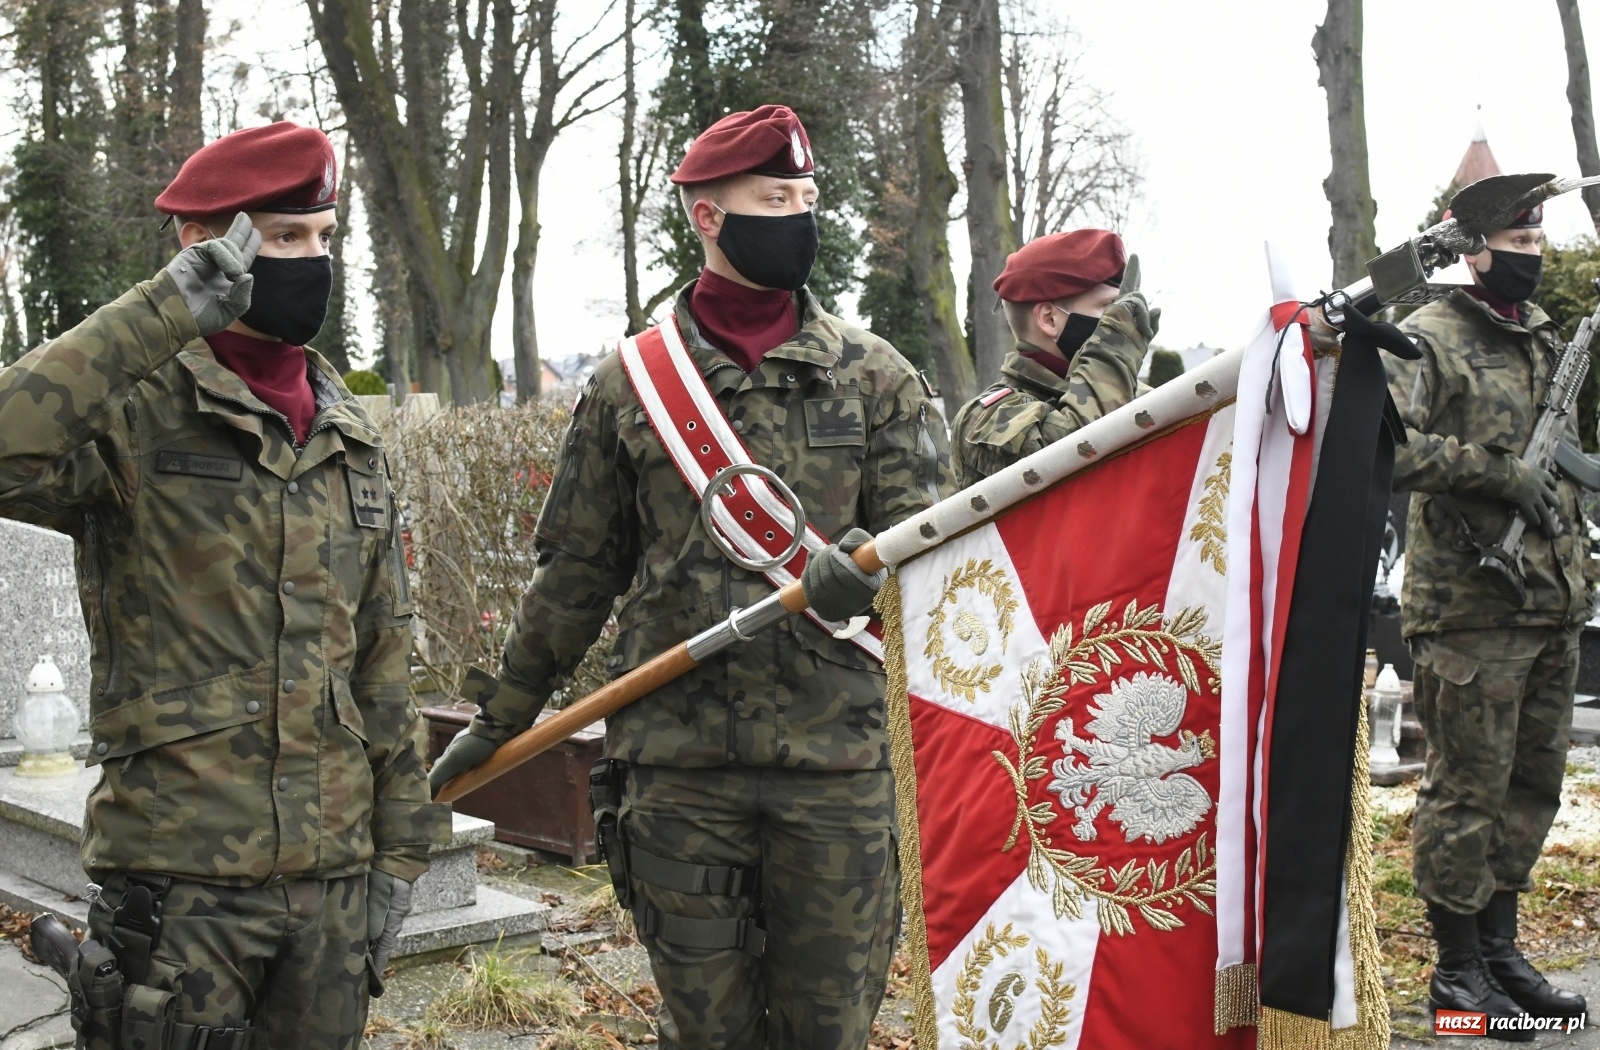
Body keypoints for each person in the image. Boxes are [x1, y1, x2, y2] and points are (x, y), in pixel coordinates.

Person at [427, 104, 953, 1048]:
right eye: (772, 198)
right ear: (708, 217)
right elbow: (575, 574)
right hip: (677, 773)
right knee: (703, 1033)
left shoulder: (879, 379)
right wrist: (501, 715)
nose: (797, 216)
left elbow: (943, 557)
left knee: (827, 1028)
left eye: (805, 197)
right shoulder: (633, 385)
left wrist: (870, 578)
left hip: (835, 770)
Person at [0, 122, 448, 1049]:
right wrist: (160, 311)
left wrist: (401, 856)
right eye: (284, 238)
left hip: (331, 887)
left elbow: (383, 663)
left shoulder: (348, 432)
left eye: (324, 236)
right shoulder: (134, 407)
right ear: (201, 243)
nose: (312, 260)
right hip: (182, 886)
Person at [1386, 200, 1590, 1033]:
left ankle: (1503, 954)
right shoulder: (1428, 332)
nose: (1532, 255)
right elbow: (1382, 444)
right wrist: (1497, 475)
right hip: (1468, 606)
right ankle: (1457, 969)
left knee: (1530, 787)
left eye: (1538, 240)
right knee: (1465, 792)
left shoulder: (1542, 333)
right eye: (1516, 242)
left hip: (1551, 601)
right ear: (1473, 253)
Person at [951, 228, 1159, 488]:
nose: (1125, 321)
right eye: (1110, 308)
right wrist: (1116, 345)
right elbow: (1080, 455)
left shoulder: (1134, 395)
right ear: (1050, 319)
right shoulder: (984, 418)